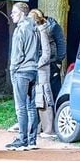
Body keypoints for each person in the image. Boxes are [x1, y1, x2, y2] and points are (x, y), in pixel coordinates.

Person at [7, 1, 40, 150]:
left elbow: (17, 54)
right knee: (31, 107)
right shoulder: (36, 28)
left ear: (21, 13)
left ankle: (22, 139)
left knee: (20, 107)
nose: (11, 15)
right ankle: (32, 140)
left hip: (21, 71)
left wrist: (12, 69)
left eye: (14, 12)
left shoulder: (20, 30)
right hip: (34, 70)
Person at [29, 9, 56, 139]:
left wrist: (37, 65)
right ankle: (39, 127)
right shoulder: (34, 31)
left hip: (42, 70)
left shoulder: (42, 31)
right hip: (36, 70)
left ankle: (49, 129)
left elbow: (46, 54)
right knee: (37, 99)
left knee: (44, 98)